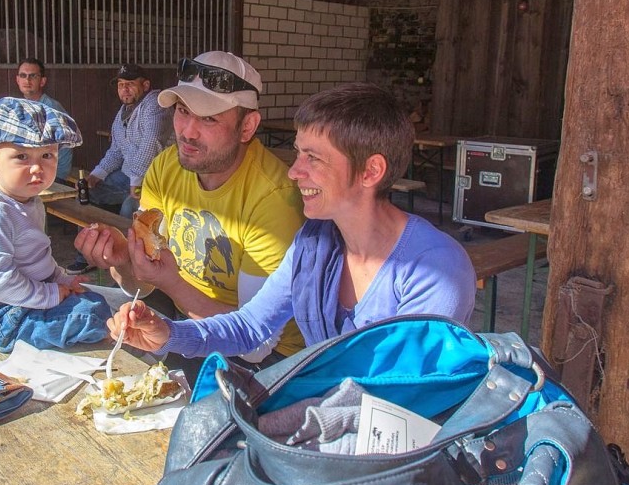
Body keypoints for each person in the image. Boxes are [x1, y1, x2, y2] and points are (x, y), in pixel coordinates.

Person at [104, 82, 477, 363]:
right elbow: (251, 327)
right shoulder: (314, 242)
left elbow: (396, 397)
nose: (295, 172)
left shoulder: (434, 269)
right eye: (298, 154)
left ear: (371, 171)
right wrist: (167, 333)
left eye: (313, 159)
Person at [74, 51, 306, 374]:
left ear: (247, 126)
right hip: (189, 325)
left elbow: (256, 344)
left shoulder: (273, 199)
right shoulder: (166, 168)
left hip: (268, 362)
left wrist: (170, 283)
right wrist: (123, 259)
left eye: (209, 118)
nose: (187, 132)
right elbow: (145, 283)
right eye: (183, 111)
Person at [0, 97, 111, 353]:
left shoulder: (31, 201)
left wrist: (62, 280)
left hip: (24, 302)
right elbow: (0, 281)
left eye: (47, 155)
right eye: (21, 156)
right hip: (3, 319)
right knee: (93, 316)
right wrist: (52, 295)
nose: (37, 168)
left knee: (93, 300)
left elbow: (37, 257)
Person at [67, 63, 174, 274]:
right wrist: (97, 175)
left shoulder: (155, 104)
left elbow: (151, 143)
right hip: (128, 176)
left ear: (145, 85)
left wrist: (135, 182)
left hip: (155, 179)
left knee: (129, 209)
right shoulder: (123, 112)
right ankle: (89, 255)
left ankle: (130, 264)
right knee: (86, 195)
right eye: (121, 85)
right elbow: (116, 150)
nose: (124, 90)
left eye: (130, 84)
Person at [16, 57, 73, 184]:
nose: (27, 80)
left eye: (33, 76)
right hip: (33, 169)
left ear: (42, 81)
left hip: (53, 174)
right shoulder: (20, 107)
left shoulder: (51, 109)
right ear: (17, 80)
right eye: (23, 75)